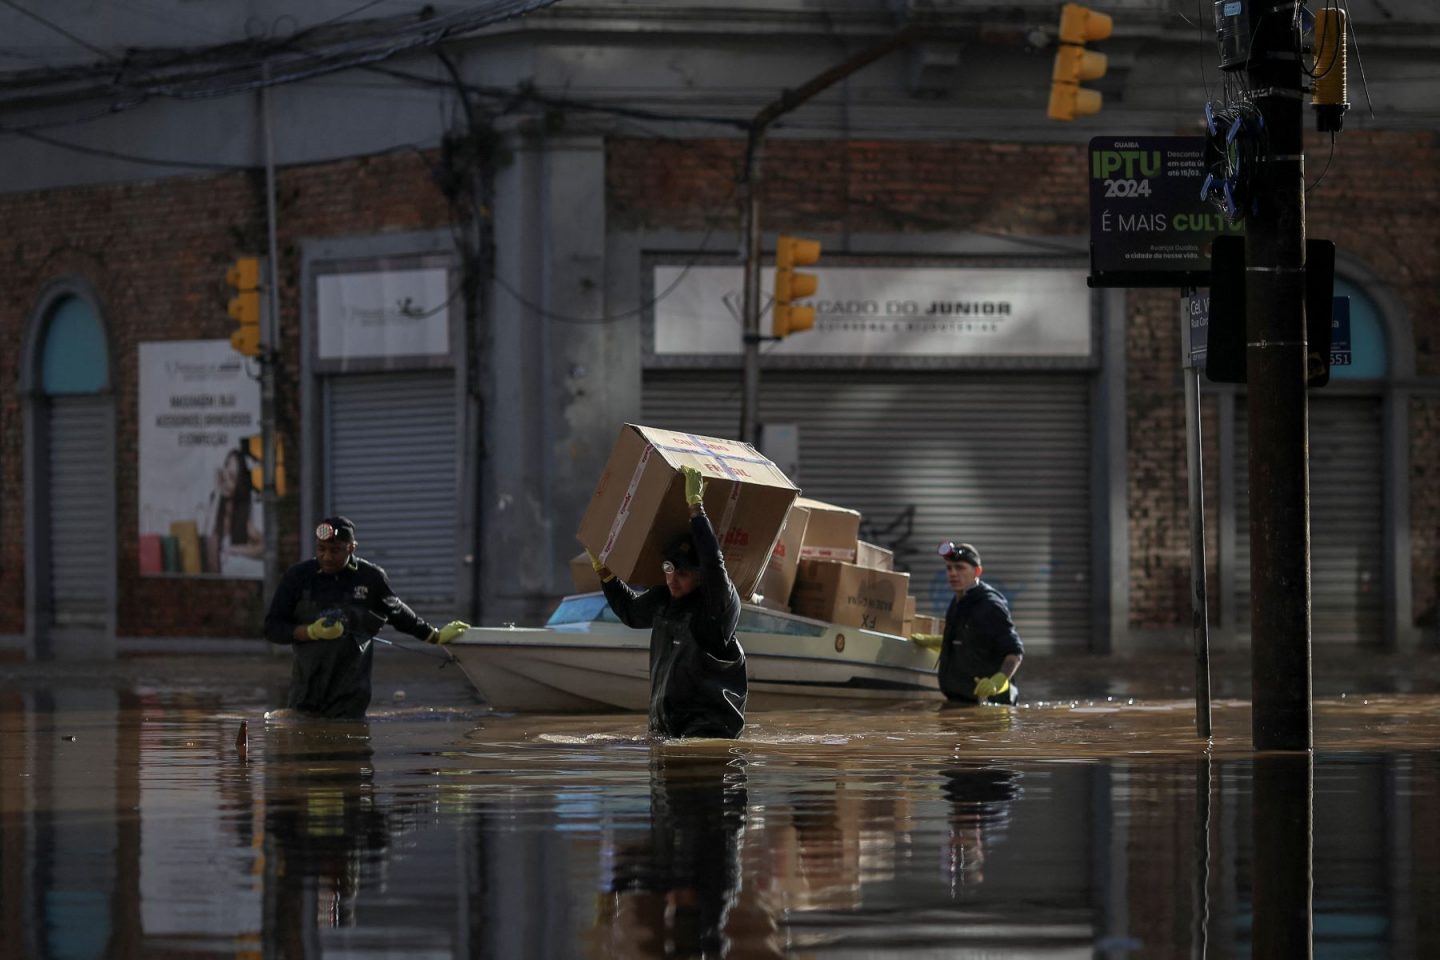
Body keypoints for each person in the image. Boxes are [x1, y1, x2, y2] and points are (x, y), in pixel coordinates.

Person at [587, 466, 748, 738]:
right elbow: (630, 612)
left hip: (707, 735)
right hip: (667, 734)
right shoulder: (664, 602)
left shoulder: (716, 611)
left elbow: (713, 564)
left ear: (699, 577)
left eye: (683, 574)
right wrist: (606, 574)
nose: (673, 580)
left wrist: (697, 510)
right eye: (669, 571)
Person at [264, 516, 470, 718]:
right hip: (306, 692)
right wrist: (310, 632)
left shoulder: (370, 577)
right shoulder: (298, 576)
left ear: (351, 548)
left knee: (352, 745)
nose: (326, 556)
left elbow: (398, 614)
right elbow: (272, 628)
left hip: (351, 695)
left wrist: (435, 636)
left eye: (335, 551)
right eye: (321, 549)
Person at [913, 541, 1023, 705]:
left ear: (977, 571)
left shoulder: (990, 605)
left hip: (990, 705)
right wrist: (938, 641)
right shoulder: (958, 601)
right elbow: (968, 639)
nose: (953, 573)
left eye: (960, 568)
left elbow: (1015, 652)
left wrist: (997, 681)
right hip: (959, 702)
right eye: (949, 568)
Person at [207, 446, 263, 577]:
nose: (226, 479)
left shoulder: (245, 510)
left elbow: (265, 547)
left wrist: (233, 550)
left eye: (232, 477)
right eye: (225, 468)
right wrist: (217, 493)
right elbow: (208, 537)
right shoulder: (216, 501)